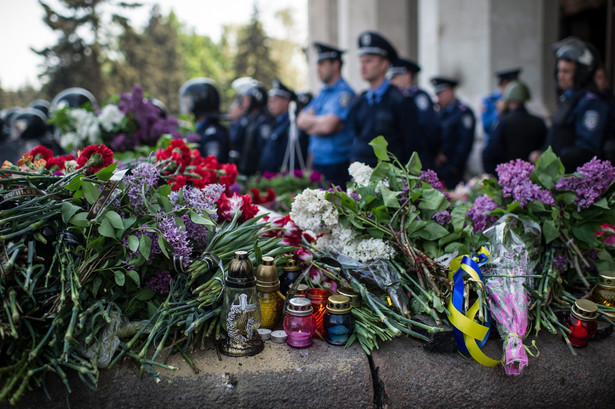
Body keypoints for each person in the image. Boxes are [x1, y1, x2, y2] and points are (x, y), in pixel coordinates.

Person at [530, 37, 609, 171]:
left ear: (581, 73)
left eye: (566, 71)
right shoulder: (567, 99)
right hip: (558, 175)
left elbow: (585, 148)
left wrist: (554, 162)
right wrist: (542, 153)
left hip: (574, 179)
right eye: (559, 70)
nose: (560, 76)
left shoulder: (590, 103)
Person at [347, 31, 421, 167]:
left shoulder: (400, 100)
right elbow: (355, 138)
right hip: (363, 176)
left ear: (384, 64)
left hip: (391, 178)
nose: (363, 66)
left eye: (368, 61)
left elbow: (412, 145)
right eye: (361, 61)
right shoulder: (360, 100)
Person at [297, 42, 356, 186]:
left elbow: (328, 127)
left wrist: (311, 123)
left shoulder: (344, 94)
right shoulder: (323, 92)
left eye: (322, 64)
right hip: (317, 163)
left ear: (335, 65)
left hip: (337, 166)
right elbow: (300, 121)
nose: (318, 68)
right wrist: (319, 123)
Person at [482, 81, 547, 174]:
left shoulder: (503, 122)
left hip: (509, 179)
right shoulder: (539, 122)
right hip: (534, 179)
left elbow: (490, 153)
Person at [387, 57, 441, 169]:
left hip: (419, 155)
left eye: (395, 77)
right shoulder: (393, 98)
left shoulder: (419, 97)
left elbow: (430, 128)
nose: (392, 81)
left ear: (407, 76)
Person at [431, 77, 476, 189]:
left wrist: (455, 166)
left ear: (450, 91)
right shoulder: (439, 112)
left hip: (454, 167)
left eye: (441, 93)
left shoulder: (463, 112)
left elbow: (465, 142)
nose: (438, 98)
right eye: (437, 94)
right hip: (439, 166)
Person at [179, 78, 229, 163]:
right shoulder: (200, 128)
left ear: (200, 101)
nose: (186, 104)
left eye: (189, 100)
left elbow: (213, 164)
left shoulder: (213, 134)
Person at [260, 78, 296, 173]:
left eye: (274, 101)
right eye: (270, 101)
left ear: (286, 101)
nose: (270, 105)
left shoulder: (291, 124)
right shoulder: (274, 122)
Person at [237, 83, 273, 176]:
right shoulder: (248, 119)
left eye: (246, 100)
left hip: (256, 173)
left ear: (255, 100)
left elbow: (263, 148)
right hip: (245, 170)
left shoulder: (263, 121)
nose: (243, 104)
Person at [480, 68, 521, 144]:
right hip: (494, 144)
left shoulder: (514, 100)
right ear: (506, 83)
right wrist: (498, 112)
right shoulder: (489, 101)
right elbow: (486, 127)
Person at [594, 66, 615, 162]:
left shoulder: (610, 101)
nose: (596, 82)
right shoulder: (586, 100)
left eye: (599, 77)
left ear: (606, 80)